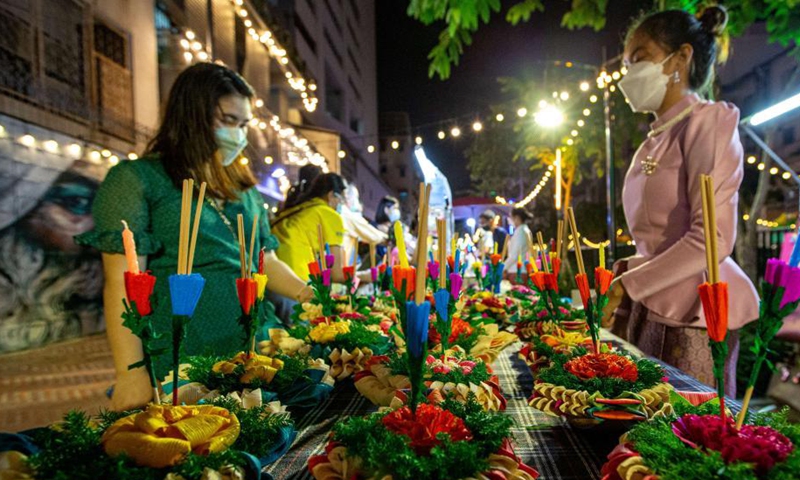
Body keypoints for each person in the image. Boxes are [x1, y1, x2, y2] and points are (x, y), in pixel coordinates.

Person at [75, 63, 313, 410]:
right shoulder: (136, 180)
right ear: (191, 116)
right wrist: (130, 372)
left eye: (244, 124)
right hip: (184, 353)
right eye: (228, 121)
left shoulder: (244, 191)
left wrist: (310, 294)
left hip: (256, 345)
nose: (239, 134)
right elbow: (122, 283)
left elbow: (266, 260)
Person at [606, 6, 758, 395]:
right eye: (627, 64)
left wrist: (628, 285)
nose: (629, 75)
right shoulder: (656, 138)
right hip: (651, 298)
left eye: (640, 59)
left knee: (686, 439)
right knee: (642, 441)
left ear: (681, 58)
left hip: (693, 314)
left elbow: (712, 238)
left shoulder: (707, 122)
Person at [272, 173, 374, 284]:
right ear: (331, 195)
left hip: (273, 278)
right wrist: (366, 276)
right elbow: (337, 274)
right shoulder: (330, 215)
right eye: (341, 199)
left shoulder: (299, 209)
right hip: (297, 281)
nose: (342, 204)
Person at [341, 183, 387, 264]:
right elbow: (374, 236)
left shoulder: (341, 213)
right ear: (348, 198)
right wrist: (389, 238)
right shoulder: (349, 215)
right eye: (356, 197)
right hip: (343, 266)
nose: (358, 202)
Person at [503, 208, 532, 281]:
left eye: (510, 217)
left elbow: (514, 255)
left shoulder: (521, 232)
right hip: (519, 270)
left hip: (517, 271)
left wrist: (502, 267)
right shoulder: (523, 230)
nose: (509, 220)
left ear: (517, 218)